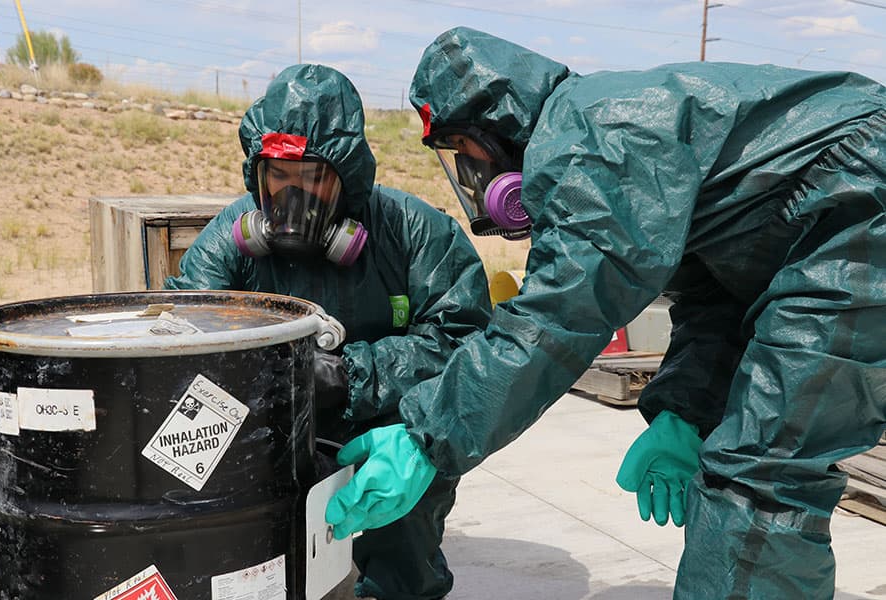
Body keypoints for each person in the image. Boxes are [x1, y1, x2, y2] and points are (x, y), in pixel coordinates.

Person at [324, 26, 886, 599]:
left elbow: (555, 318)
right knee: (753, 466)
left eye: (466, 155)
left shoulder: (589, 142)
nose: (471, 179)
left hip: (862, 204)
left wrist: (426, 437)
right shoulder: (601, 130)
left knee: (761, 476)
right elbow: (716, 288)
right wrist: (686, 412)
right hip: (841, 208)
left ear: (499, 128)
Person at [165, 63, 493, 600]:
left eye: (313, 177)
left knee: (407, 520)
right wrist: (273, 378)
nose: (293, 197)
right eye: (279, 176)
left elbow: (465, 342)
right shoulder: (230, 237)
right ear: (258, 174)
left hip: (380, 418)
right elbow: (183, 329)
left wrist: (350, 374)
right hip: (267, 417)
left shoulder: (414, 232)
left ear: (349, 174)